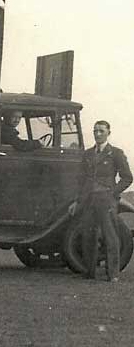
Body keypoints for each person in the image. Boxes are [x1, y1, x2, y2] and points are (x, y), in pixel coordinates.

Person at [69, 120, 132, 282]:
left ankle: (113, 274)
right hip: (89, 200)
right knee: (88, 236)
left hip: (106, 200)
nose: (97, 134)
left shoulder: (116, 153)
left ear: (108, 133)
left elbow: (127, 178)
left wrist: (113, 193)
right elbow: (81, 180)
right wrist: (77, 201)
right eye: (95, 131)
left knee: (110, 237)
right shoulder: (88, 154)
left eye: (101, 131)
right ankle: (89, 272)